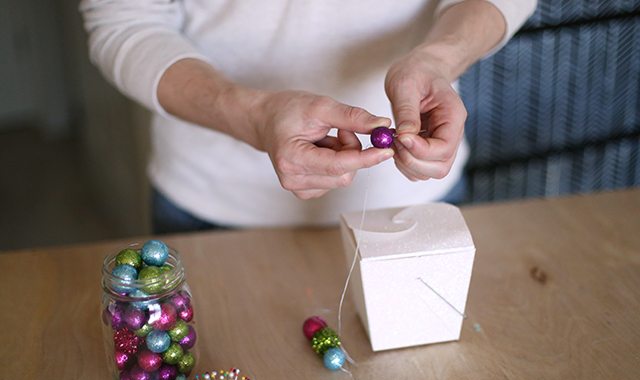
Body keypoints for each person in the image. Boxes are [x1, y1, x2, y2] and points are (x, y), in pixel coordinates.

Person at [80, 0, 536, 233]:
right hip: (212, 204)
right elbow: (126, 20)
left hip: (411, 203)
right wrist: (253, 116)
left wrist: (439, 58)